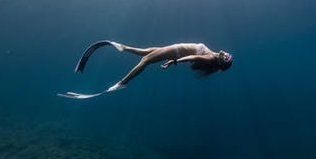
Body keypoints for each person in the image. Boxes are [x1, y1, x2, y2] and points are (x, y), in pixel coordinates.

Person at [58, 41, 233, 99]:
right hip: (174, 49)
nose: (226, 54)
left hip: (176, 51)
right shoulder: (213, 54)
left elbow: (194, 58)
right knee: (145, 52)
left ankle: (122, 83)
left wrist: (175, 61)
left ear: (220, 62)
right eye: (228, 55)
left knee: (146, 60)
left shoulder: (210, 58)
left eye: (226, 58)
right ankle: (122, 47)